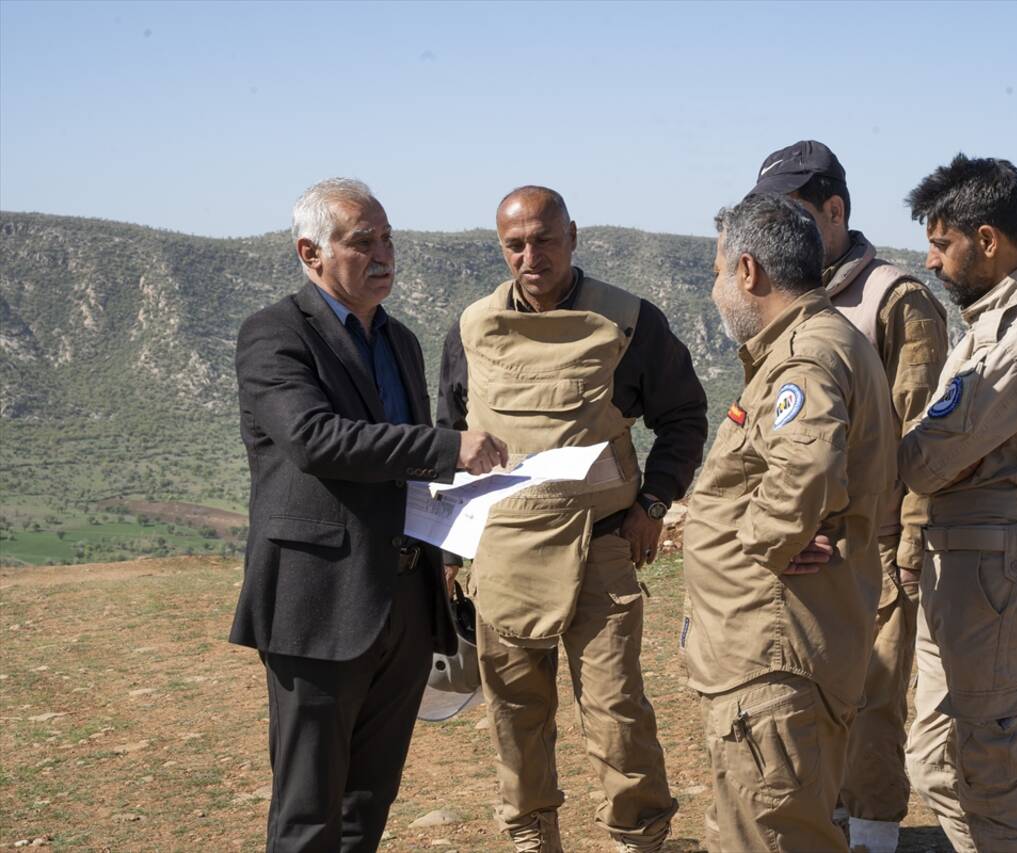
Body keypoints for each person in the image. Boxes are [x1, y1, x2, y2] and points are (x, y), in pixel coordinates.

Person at [231, 177, 508, 852]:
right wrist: (451, 447)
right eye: (364, 241)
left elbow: (404, 468)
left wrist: (449, 540)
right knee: (308, 810)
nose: (384, 254)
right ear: (311, 251)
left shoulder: (401, 341)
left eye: (388, 238)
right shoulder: (275, 334)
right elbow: (315, 439)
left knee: (368, 802)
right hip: (319, 604)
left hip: (405, 603)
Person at [436, 186, 707, 853]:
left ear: (573, 236)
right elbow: (444, 436)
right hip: (502, 553)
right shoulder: (471, 328)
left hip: (602, 546)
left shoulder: (629, 321)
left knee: (617, 714)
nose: (532, 256)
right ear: (501, 248)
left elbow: (684, 416)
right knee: (515, 715)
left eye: (545, 238)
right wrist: (445, 549)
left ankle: (639, 839)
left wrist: (653, 503)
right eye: (516, 244)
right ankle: (532, 838)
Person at [681, 192, 896, 853]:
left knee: (769, 836)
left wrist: (764, 544)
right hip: (777, 653)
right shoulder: (822, 343)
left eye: (718, 274)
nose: (718, 291)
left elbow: (805, 470)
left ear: (749, 271)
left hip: (774, 661)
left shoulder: (805, 354)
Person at [751, 140, 949, 853]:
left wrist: (906, 547)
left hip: (876, 545)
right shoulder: (787, 302)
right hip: (806, 552)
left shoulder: (896, 300)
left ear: (835, 211)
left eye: (796, 214)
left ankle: (871, 834)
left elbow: (923, 439)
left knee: (873, 701)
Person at [898, 154, 1017, 852]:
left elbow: (927, 457)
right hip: (961, 565)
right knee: (933, 759)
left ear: (986, 240)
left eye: (941, 242)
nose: (931, 259)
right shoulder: (986, 325)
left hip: (998, 575)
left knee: (994, 772)